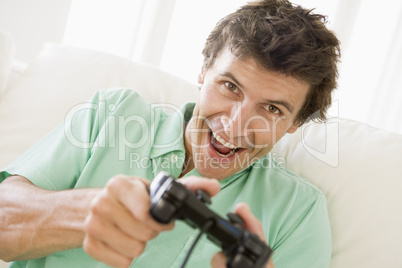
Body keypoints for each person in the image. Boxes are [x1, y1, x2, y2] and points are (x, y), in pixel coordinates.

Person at [0, 0, 340, 267]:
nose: (236, 125)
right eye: (230, 86)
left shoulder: (299, 212)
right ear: (203, 71)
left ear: (296, 122)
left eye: (272, 109)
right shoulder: (112, 113)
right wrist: (83, 214)